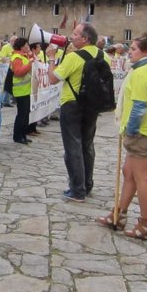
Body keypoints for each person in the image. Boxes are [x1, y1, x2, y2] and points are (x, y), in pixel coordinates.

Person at [97, 32, 147, 240]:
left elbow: (138, 106)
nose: (130, 52)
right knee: (128, 172)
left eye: (134, 49)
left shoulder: (142, 72)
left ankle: (146, 223)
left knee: (141, 178)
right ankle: (118, 214)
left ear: (146, 52)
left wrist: (130, 131)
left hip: (141, 132)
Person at [46, 22, 107, 202]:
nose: (72, 37)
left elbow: (52, 79)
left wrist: (51, 58)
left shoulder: (74, 58)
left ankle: (77, 190)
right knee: (87, 145)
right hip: (93, 105)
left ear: (85, 39)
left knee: (73, 146)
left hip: (72, 104)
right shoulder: (104, 56)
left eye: (75, 34)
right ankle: (87, 185)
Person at [10, 38, 34, 145]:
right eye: (26, 45)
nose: (28, 46)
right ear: (21, 46)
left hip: (26, 90)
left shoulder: (24, 56)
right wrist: (29, 64)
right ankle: (18, 136)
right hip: (20, 90)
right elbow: (18, 72)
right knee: (22, 114)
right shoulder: (17, 57)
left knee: (25, 114)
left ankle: (23, 134)